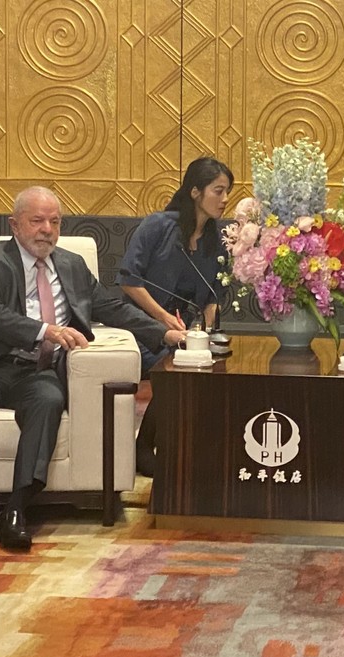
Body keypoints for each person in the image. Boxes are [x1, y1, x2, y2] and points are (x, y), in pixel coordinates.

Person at [0, 186, 185, 553]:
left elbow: (112, 308)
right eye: (37, 221)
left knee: (49, 401)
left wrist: (166, 333)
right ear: (14, 225)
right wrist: (45, 331)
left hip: (37, 371)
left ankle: (16, 510)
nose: (46, 229)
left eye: (54, 221)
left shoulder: (72, 265)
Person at [116, 157, 233, 477]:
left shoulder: (216, 239)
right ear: (195, 191)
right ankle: (145, 447)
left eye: (227, 192)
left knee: (201, 363)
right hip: (138, 327)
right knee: (174, 365)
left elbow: (212, 298)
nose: (225, 200)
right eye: (218, 191)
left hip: (181, 333)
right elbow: (129, 281)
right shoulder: (158, 225)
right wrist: (163, 318)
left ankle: (176, 447)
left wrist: (203, 331)